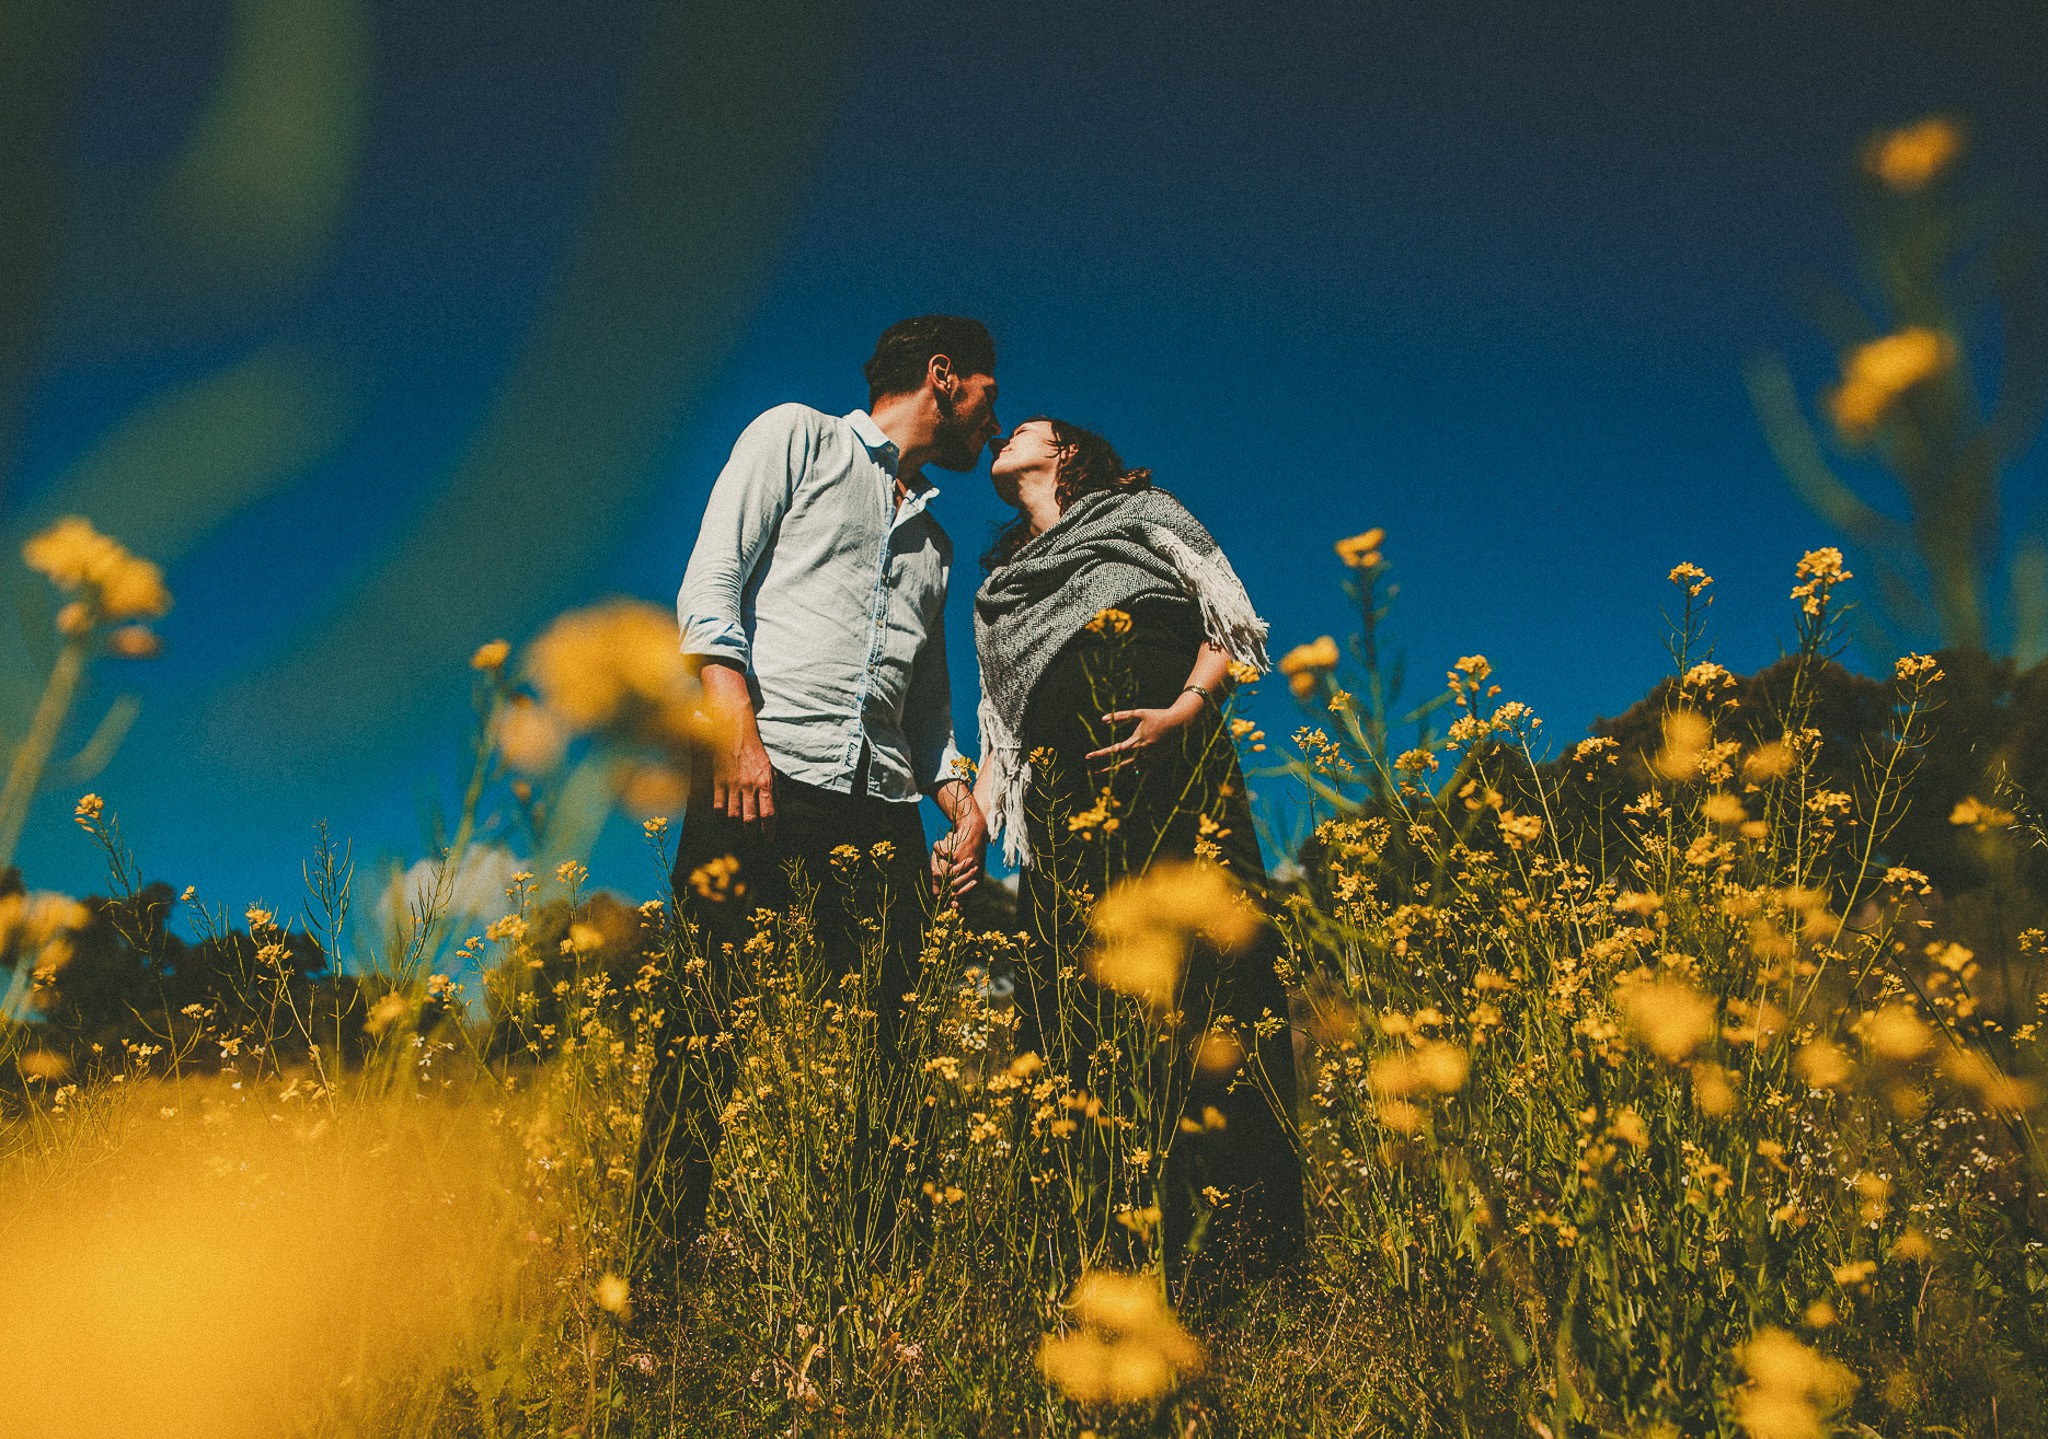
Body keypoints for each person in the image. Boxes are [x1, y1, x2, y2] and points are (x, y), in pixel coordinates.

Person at [630, 316, 997, 1306]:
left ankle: (887, 1300)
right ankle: (650, 1297)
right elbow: (710, 589)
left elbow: (928, 716)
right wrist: (734, 734)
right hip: (760, 773)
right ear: (941, 376)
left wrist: (959, 806)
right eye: (986, 394)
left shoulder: (936, 541)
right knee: (702, 1035)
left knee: (901, 1052)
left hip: (880, 807)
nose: (991, 422)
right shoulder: (795, 436)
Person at [971, 417, 1305, 1284]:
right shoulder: (1003, 584)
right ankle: (1092, 1248)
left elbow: (1224, 613)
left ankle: (1250, 1259)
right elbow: (1001, 732)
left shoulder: (1142, 512)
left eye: (1024, 430)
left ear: (1069, 451)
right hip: (1062, 808)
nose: (1004, 435)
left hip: (1176, 772)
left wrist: (1185, 711)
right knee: (1072, 1003)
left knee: (1216, 984)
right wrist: (972, 824)